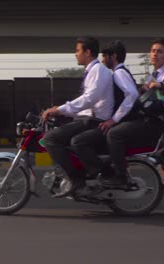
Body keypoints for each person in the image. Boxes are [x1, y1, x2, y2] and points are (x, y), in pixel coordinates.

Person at [42, 36, 114, 197]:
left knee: (50, 139)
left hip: (94, 121)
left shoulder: (98, 71)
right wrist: (60, 110)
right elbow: (85, 103)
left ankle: (77, 181)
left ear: (88, 52)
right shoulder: (92, 71)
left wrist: (60, 110)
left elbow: (89, 99)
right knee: (59, 135)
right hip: (88, 118)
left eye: (77, 50)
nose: (75, 54)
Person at [70, 40, 144, 188]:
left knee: (84, 140)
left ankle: (114, 175)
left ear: (113, 56)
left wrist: (114, 119)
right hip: (124, 119)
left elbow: (132, 94)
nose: (102, 60)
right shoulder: (116, 73)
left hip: (127, 120)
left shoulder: (119, 73)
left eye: (105, 56)